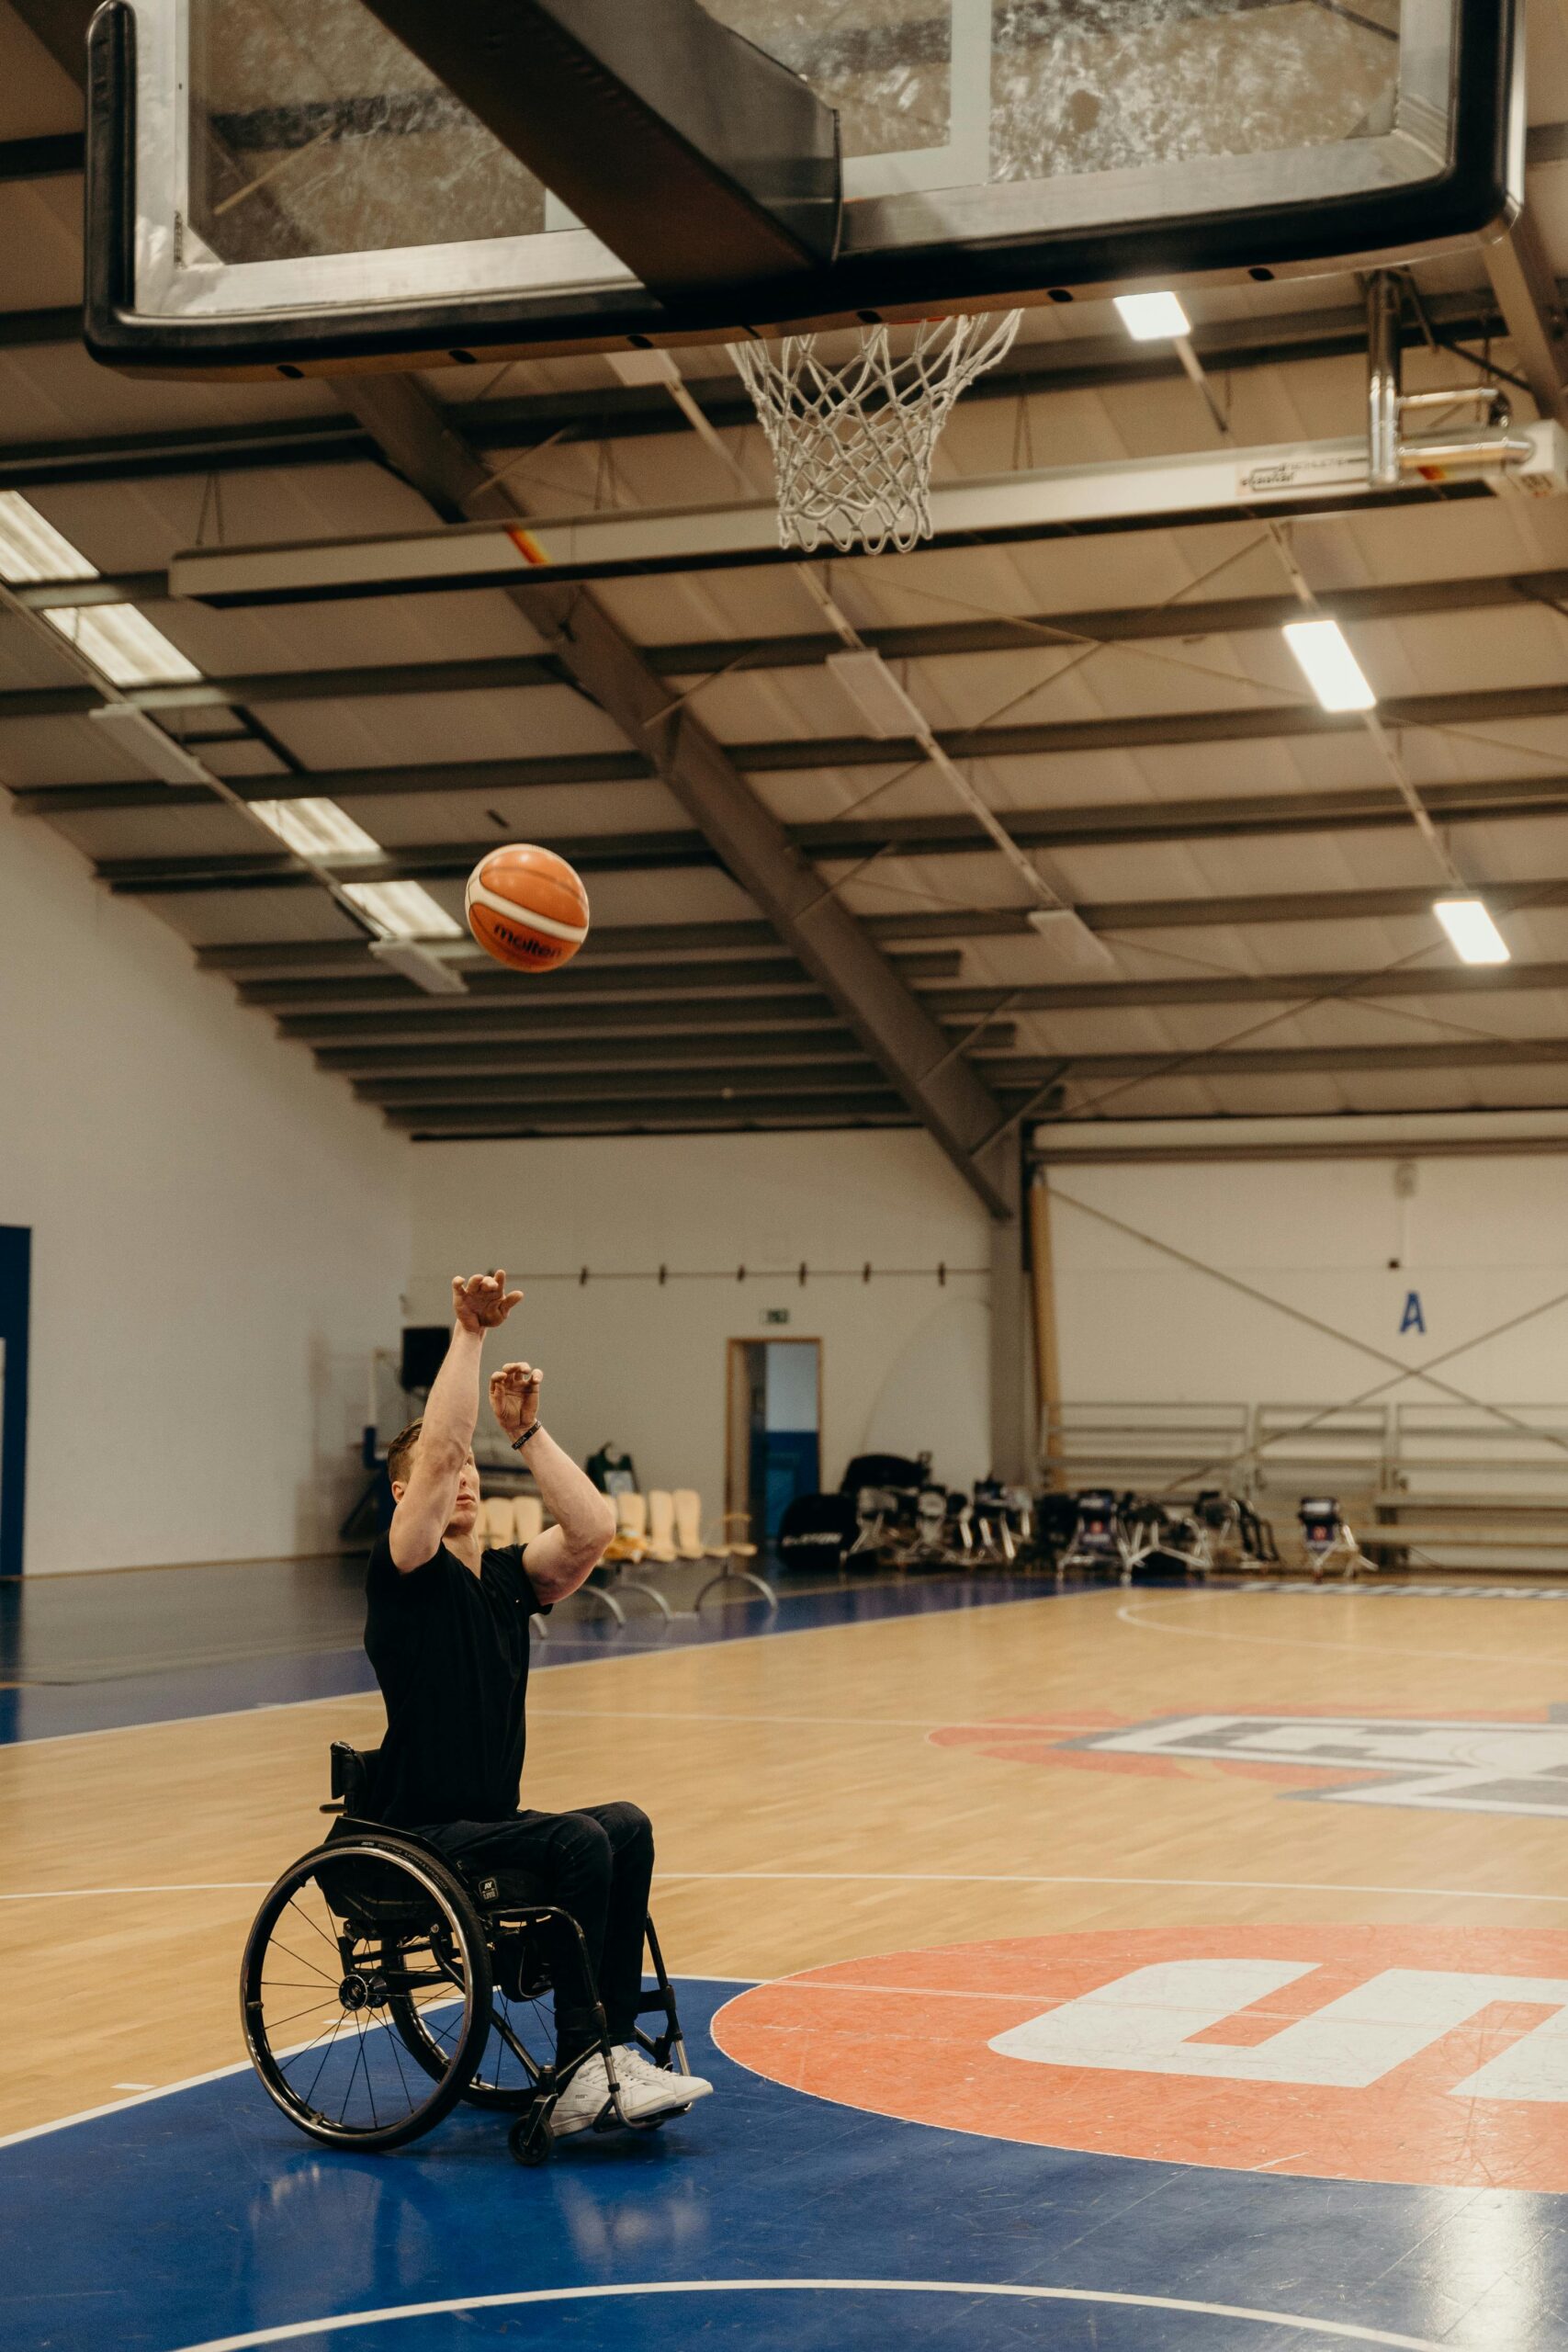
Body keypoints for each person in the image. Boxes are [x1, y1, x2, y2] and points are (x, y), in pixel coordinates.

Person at [364, 1268, 713, 2137]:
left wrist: (527, 1433)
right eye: (445, 1475)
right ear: (407, 1497)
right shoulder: (406, 1572)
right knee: (577, 1839)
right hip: (420, 1830)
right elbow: (442, 1453)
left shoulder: (509, 1582)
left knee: (623, 1822)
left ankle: (612, 2051)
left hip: (485, 1822)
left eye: (476, 1472)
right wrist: (469, 1333)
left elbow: (593, 1530)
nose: (464, 1478)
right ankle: (578, 2065)